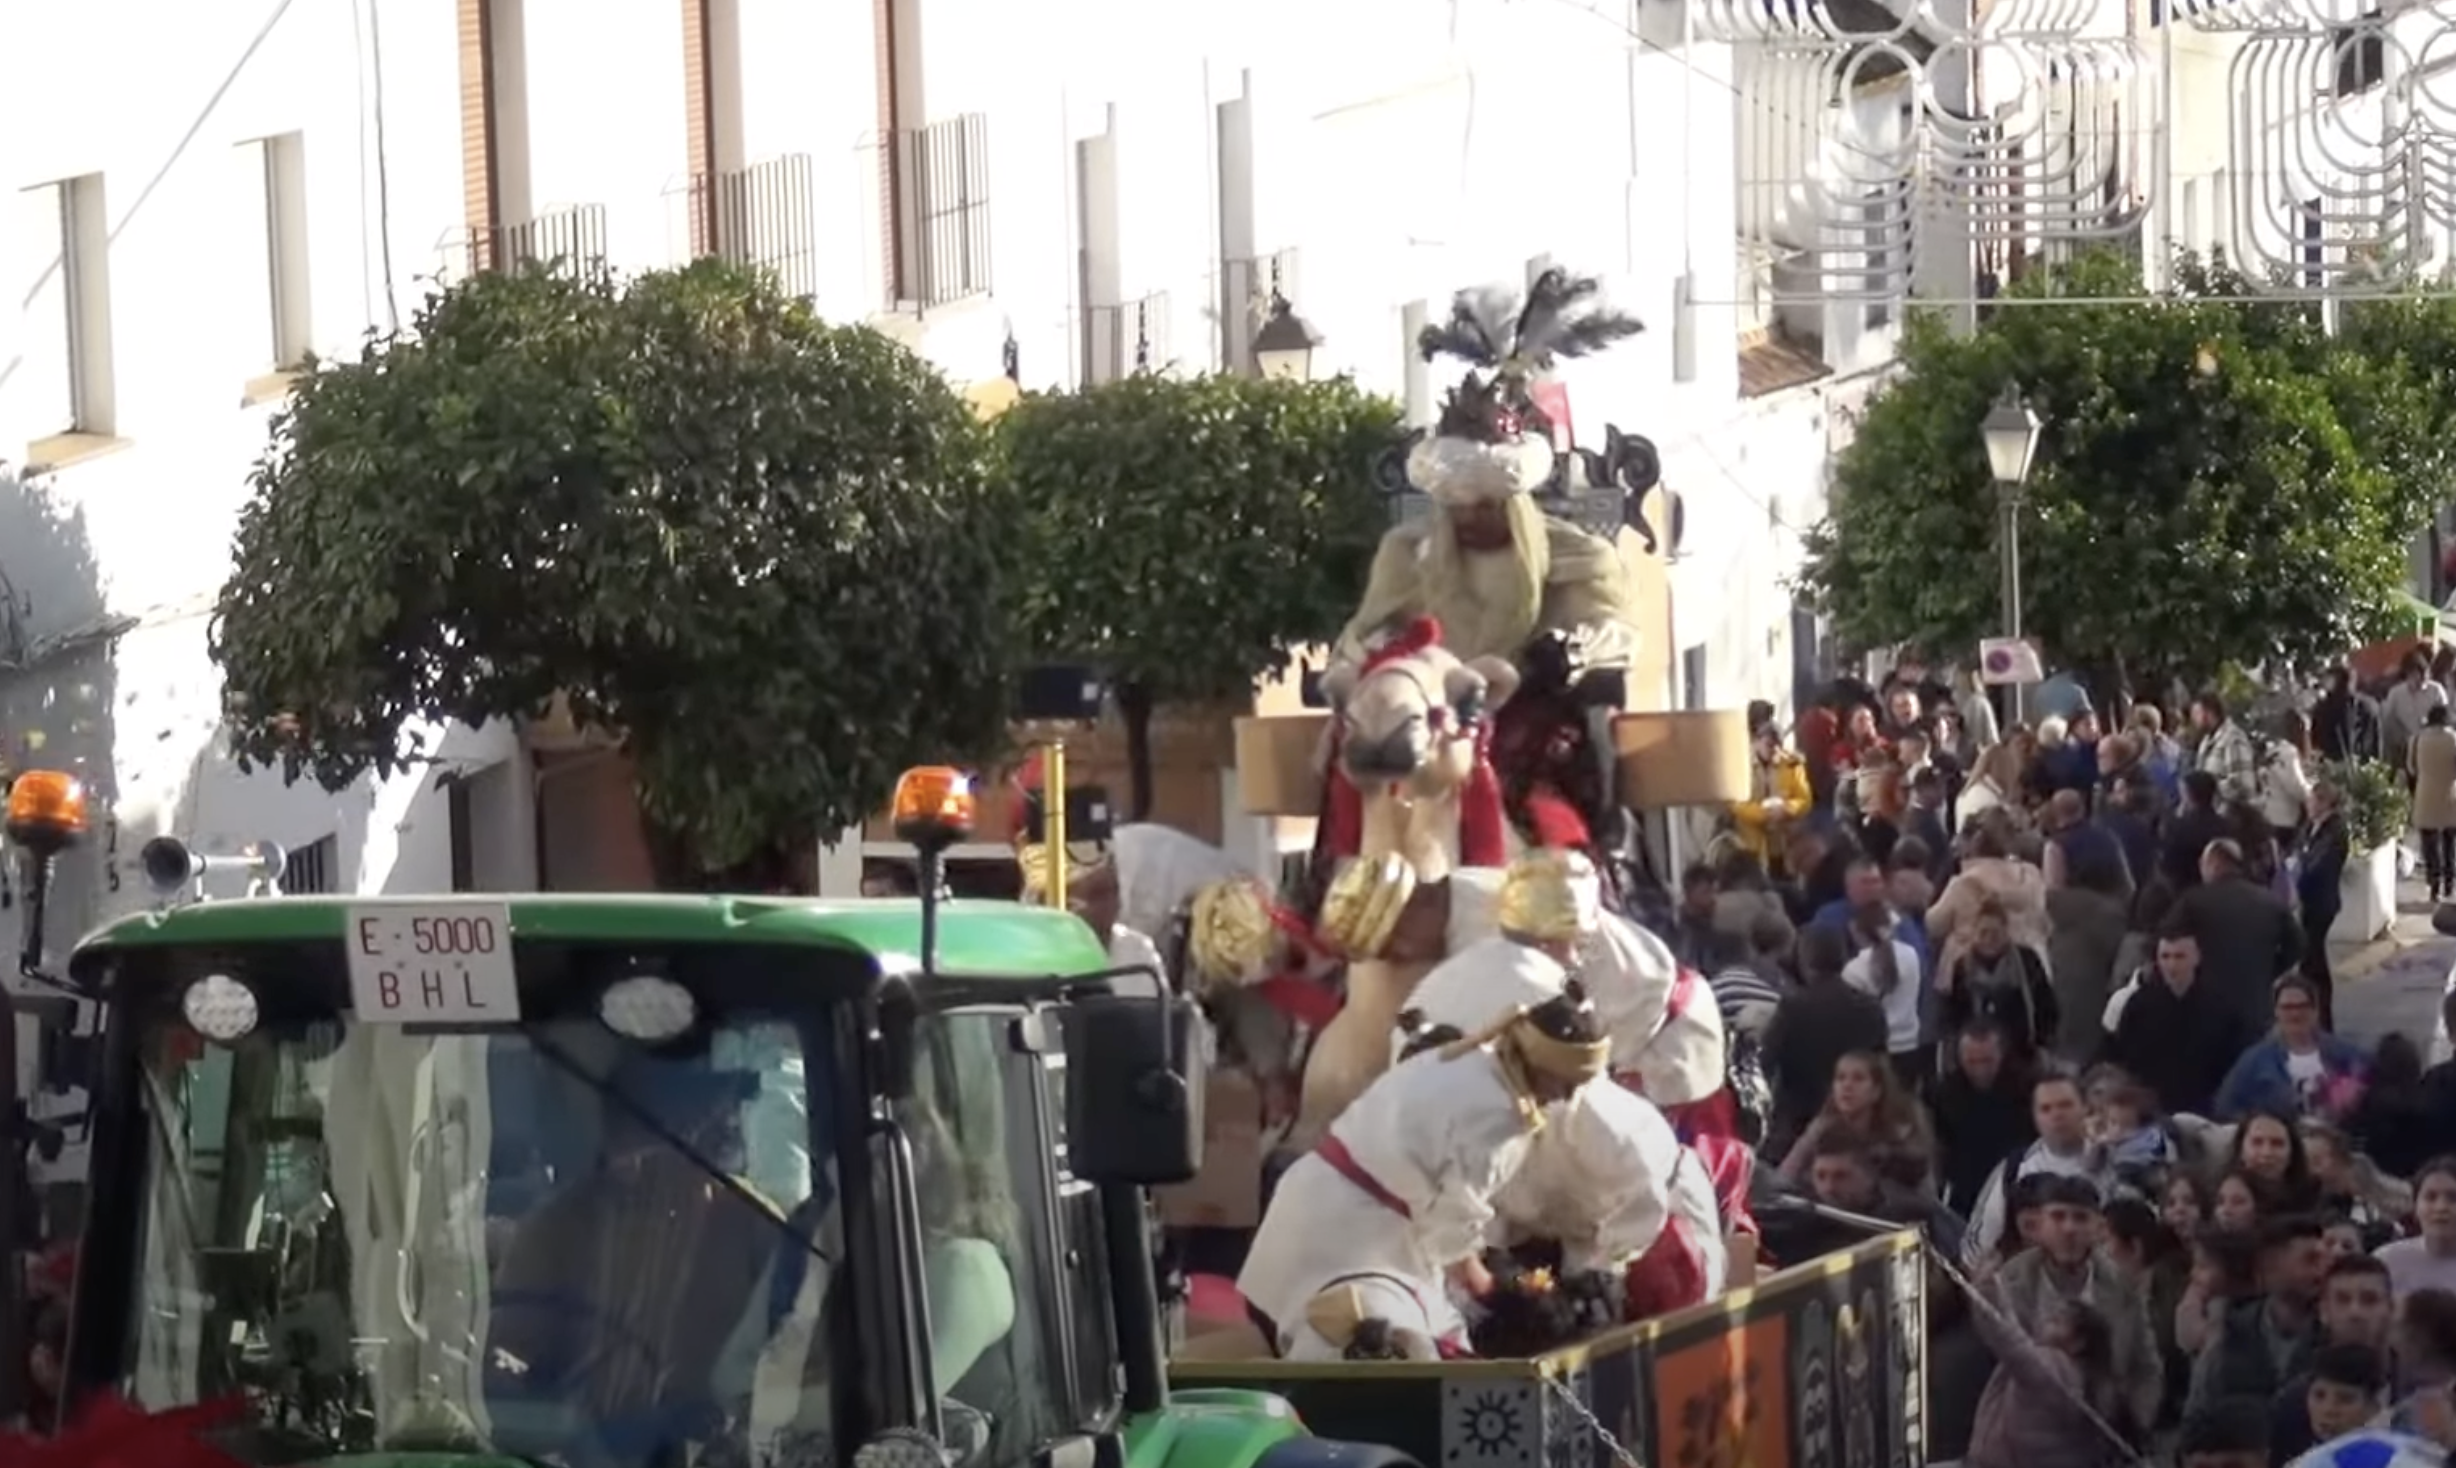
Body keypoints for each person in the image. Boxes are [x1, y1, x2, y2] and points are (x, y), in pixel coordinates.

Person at [1336, 272, 1644, 855]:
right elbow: (1363, 631)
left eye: (1487, 507)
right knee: (1354, 760)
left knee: (1563, 779)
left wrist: (1567, 652)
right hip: (1429, 713)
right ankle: (1334, 883)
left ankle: (1602, 859)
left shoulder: (1576, 555)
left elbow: (1616, 632)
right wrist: (1372, 657)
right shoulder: (1407, 555)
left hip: (1530, 708)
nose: (1474, 519)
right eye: (1461, 508)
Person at [1238, 983, 1610, 1359]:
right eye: (1565, 1083)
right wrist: (1492, 1288)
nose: (1566, 1097)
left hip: (1321, 1194)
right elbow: (1452, 1219)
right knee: (1376, 1352)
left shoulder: (1466, 1058)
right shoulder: (1498, 1114)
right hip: (1354, 1236)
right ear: (1538, 1062)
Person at [1993, 1173, 2165, 1431]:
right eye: (2058, 1216)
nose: (2069, 1228)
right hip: (2028, 1430)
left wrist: (2136, 1424)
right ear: (2039, 1225)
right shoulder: (2011, 1283)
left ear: (2098, 1228)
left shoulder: (2122, 1285)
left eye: (2080, 1218)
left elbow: (2146, 1367)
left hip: (2105, 1431)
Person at [1963, 1282, 2144, 1468]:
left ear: (2078, 1343)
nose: (2045, 1321)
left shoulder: (2057, 1369)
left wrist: (1988, 1286)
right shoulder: (2081, 1378)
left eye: (2057, 1321)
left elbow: (2006, 1336)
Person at [1962, 1069, 2113, 1268]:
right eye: (2046, 1109)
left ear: (2085, 1108)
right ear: (2035, 1117)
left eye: (2065, 1105)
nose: (2057, 1115)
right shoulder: (2014, 1168)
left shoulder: (2113, 1160)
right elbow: (1979, 1243)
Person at [2188, 1214, 2333, 1418]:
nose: (2321, 1271)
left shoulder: (2332, 1334)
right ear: (2270, 1267)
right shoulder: (2231, 1332)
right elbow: (2199, 1409)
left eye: (2324, 1260)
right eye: (2310, 1260)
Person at [2106, 925, 2257, 1119]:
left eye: (2179, 956)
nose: (2172, 965)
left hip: (2207, 1108)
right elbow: (2121, 1056)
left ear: (2196, 957)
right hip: (2152, 1108)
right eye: (2165, 956)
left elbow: (2236, 1058)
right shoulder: (2139, 1004)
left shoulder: (2222, 1005)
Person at [1762, 925, 1889, 1152]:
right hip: (1857, 1117)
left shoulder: (1794, 1007)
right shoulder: (1871, 1008)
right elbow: (1881, 1066)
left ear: (1803, 959)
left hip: (1799, 1119)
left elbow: (1766, 1062)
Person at [2270, 1257, 2401, 1461]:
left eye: (2369, 1300)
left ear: (2391, 1309)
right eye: (2342, 1300)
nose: (2355, 1312)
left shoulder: (2425, 1390)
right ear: (2323, 1311)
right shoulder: (2293, 1404)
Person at [2175, 838, 2310, 1034]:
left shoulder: (2193, 901)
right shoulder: (2269, 901)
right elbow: (2298, 944)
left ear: (2213, 864)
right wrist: (2271, 969)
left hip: (2207, 1006)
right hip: (2255, 1005)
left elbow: (2168, 941)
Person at [2217, 977, 2371, 1122]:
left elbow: (2373, 1087)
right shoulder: (2255, 1061)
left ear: (2315, 1010)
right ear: (2276, 1012)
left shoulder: (2346, 1054)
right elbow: (2225, 1107)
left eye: (2302, 1006)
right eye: (2287, 1007)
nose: (2295, 1014)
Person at [1778, 1048, 1934, 1192]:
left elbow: (1927, 1197)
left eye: (1858, 1079)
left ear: (1876, 1091)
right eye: (1840, 1078)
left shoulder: (1901, 1136)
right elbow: (1784, 1177)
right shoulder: (1820, 1129)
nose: (1847, 1086)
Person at [1937, 897, 2060, 1066]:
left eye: (1995, 933)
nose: (1989, 939)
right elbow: (1954, 1015)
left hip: (2022, 1054)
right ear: (1974, 933)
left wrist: (2042, 1042)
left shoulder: (2027, 961)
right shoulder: (1962, 967)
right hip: (1978, 1055)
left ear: (2006, 931)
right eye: (1983, 933)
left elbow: (2046, 1005)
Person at [1933, 1020, 2039, 1215]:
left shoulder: (2028, 1088)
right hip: (1964, 1189)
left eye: (1987, 1060)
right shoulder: (1943, 1094)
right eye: (1972, 1061)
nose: (1980, 1070)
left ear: (2001, 1054)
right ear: (1959, 1057)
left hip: (2019, 1184)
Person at [2299, 781, 2351, 1025]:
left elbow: (2317, 865)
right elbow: (2298, 851)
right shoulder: (2311, 826)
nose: (2307, 804)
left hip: (2322, 901)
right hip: (2309, 901)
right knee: (2311, 959)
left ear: (2323, 803)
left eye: (2311, 800)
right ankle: (2317, 1014)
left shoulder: (2335, 830)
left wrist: (2299, 867)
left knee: (2314, 960)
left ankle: (2323, 1017)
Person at [1732, 722, 1813, 876]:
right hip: (1751, 843)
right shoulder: (1741, 764)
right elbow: (1735, 803)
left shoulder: (1792, 764)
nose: (1773, 750)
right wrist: (1763, 814)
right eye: (1768, 745)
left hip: (1783, 842)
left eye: (1777, 746)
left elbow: (1805, 799)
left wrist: (1787, 809)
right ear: (1757, 742)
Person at [2377, 1160, 2456, 1304]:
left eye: (2453, 1198)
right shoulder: (2386, 1261)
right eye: (2430, 1197)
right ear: (2415, 1207)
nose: (2441, 1207)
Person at [2415, 703, 2456, 903]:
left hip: (2425, 794)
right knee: (2449, 843)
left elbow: (2411, 767)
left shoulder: (2418, 738)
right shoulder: (2453, 739)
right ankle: (2449, 883)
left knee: (2429, 843)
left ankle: (2433, 884)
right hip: (2450, 794)